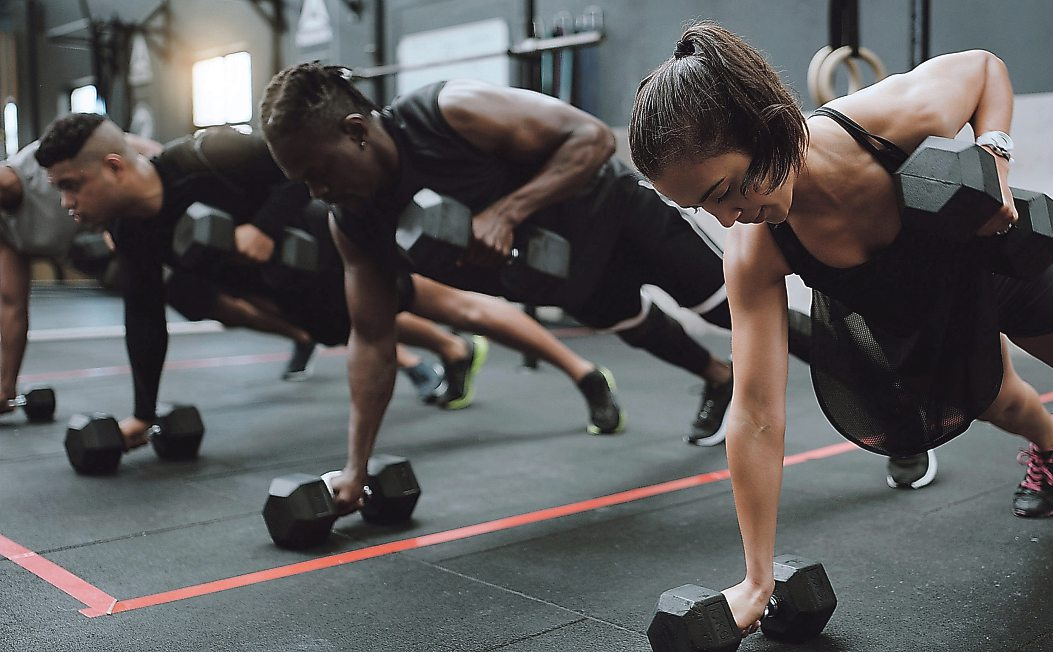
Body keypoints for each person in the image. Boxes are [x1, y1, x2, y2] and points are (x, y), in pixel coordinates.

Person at [628, 22, 1053, 634]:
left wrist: (994, 155)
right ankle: (1052, 441)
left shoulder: (884, 119)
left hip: (997, 263)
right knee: (1000, 401)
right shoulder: (754, 250)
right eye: (703, 207)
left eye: (725, 190)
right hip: (914, 309)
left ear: (762, 127)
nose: (727, 216)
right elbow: (754, 413)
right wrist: (757, 580)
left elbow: (985, 68)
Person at [257, 63, 920, 512]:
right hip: (558, 274)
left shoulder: (450, 112)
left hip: (620, 218)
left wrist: (510, 209)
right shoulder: (352, 223)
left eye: (318, 172)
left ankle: (893, 410)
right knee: (630, 324)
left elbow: (590, 138)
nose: (315, 193)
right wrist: (354, 469)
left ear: (355, 131)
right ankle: (716, 381)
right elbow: (371, 341)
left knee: (735, 316)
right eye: (302, 183)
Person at [35, 114, 622, 447]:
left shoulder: (201, 156)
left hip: (333, 245)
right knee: (374, 327)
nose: (65, 201)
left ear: (114, 166)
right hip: (294, 291)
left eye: (70, 184)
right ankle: (454, 354)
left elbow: (302, 162)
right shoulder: (133, 229)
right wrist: (142, 413)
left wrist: (264, 226)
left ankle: (587, 375)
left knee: (456, 307)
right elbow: (144, 317)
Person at [0, 135, 162, 416]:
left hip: (132, 226)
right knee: (197, 300)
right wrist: (6, 387)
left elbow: (124, 146)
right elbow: (11, 305)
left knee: (217, 298)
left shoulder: (48, 156)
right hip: (99, 258)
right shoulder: (5, 230)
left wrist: (172, 179)